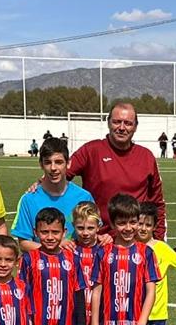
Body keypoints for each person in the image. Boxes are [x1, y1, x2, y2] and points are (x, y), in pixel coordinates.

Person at [90, 193, 159, 325]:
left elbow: (151, 291)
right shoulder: (103, 253)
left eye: (133, 222)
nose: (128, 228)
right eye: (122, 223)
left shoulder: (146, 253)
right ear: (112, 224)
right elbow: (96, 292)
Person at [68, 102, 166, 237]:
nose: (122, 128)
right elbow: (59, 176)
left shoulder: (146, 156)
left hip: (135, 241)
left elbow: (157, 203)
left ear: (135, 127)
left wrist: (158, 238)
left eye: (128, 123)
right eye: (117, 122)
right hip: (99, 240)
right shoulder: (91, 150)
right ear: (108, 123)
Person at [12, 137, 92, 248]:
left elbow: (93, 235)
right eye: (48, 162)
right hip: (41, 260)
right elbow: (23, 243)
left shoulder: (84, 197)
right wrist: (55, 248)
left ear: (68, 163)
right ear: (41, 164)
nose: (53, 168)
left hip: (76, 259)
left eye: (59, 162)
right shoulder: (28, 199)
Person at [134, 202, 176, 325]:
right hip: (135, 310)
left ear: (154, 227)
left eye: (148, 225)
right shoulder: (130, 247)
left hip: (157, 311)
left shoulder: (162, 249)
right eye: (140, 223)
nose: (143, 228)